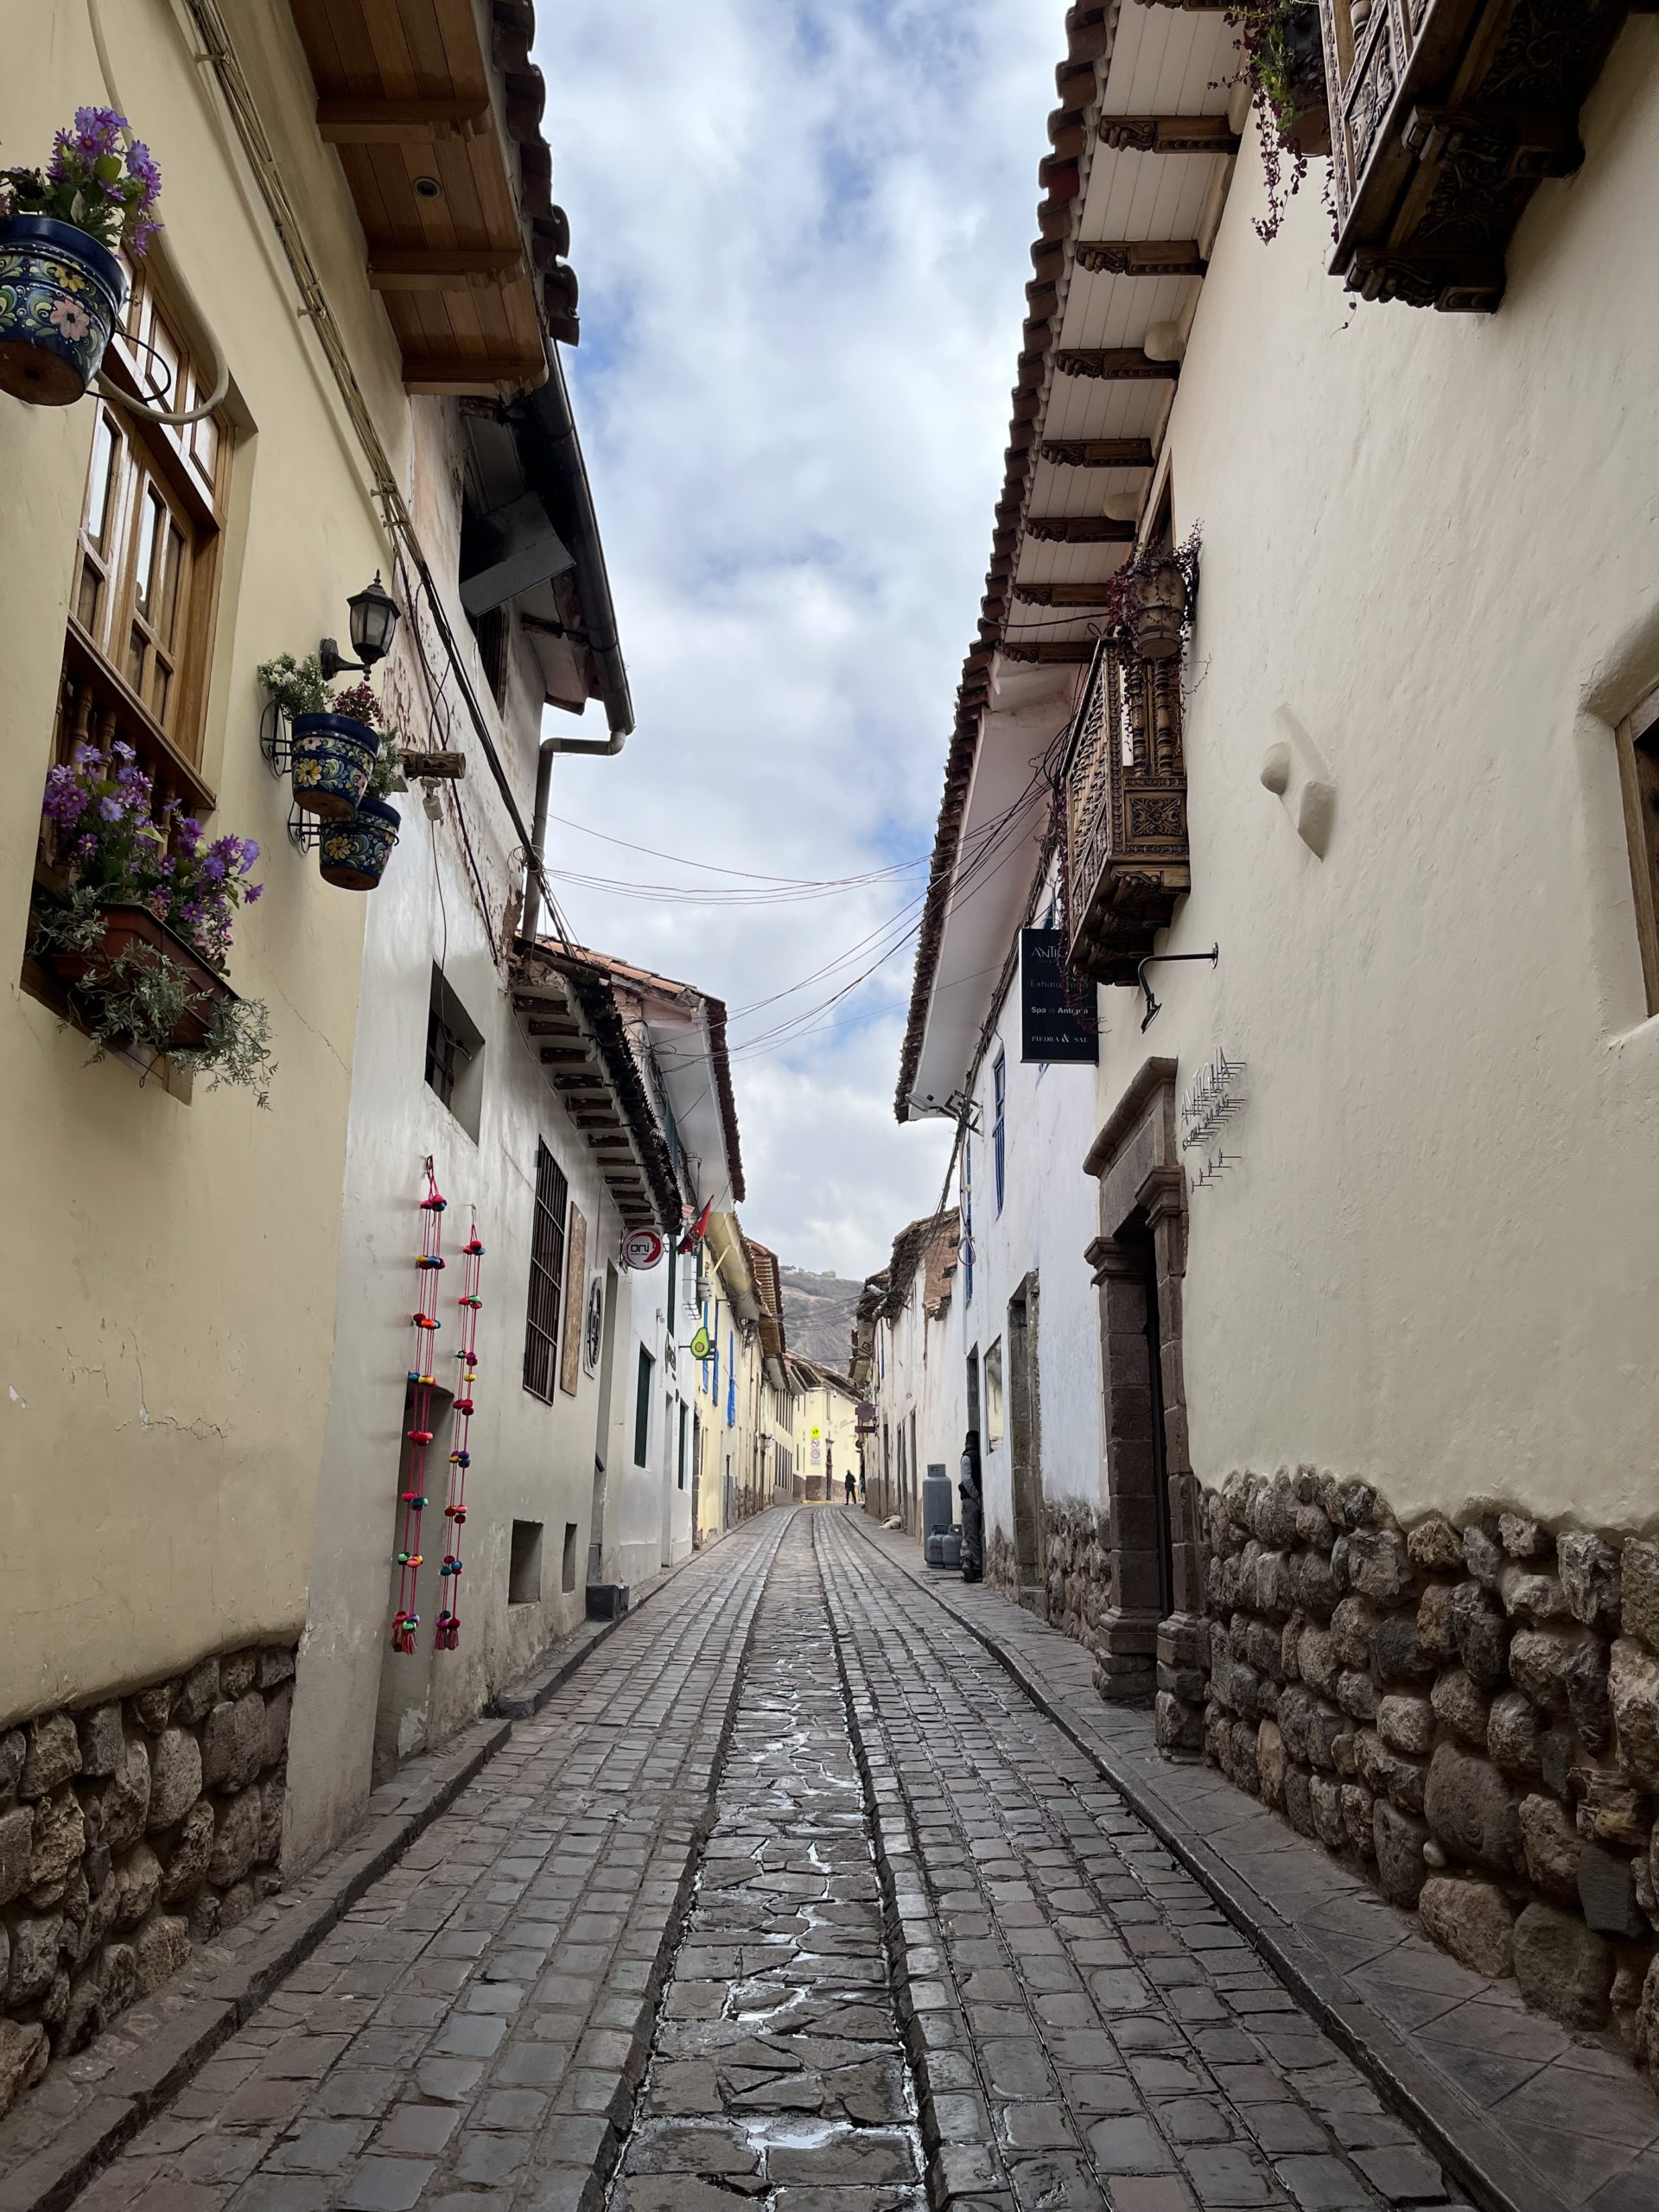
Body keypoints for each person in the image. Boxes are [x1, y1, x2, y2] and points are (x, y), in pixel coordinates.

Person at [958, 1427, 983, 1582]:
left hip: (970, 1501)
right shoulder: (979, 1456)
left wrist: (975, 1496)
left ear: (967, 1442)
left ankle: (977, 1568)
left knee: (971, 1535)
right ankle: (971, 1563)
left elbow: (967, 1480)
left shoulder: (966, 1458)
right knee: (974, 1535)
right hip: (978, 1500)